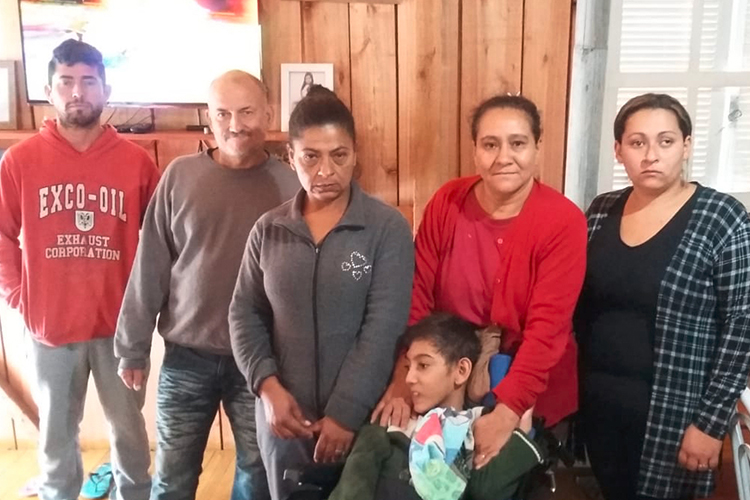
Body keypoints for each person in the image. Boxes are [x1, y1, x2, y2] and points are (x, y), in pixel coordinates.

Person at [371, 94, 588, 471]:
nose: (504, 157)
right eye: (490, 144)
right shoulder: (448, 202)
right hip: (446, 377)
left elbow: (547, 330)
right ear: (474, 150)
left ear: (537, 147)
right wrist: (407, 376)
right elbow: (418, 295)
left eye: (517, 143)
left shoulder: (563, 221)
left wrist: (508, 410)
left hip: (528, 383)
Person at [114, 70, 299, 500]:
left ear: (268, 113)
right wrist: (132, 346)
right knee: (172, 480)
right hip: (186, 356)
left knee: (257, 478)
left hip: (260, 362)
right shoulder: (180, 176)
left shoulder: (292, 187)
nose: (235, 125)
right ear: (209, 118)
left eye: (247, 112)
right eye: (223, 114)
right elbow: (151, 264)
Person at [228, 85, 414, 500]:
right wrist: (268, 389)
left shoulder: (386, 229)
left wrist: (346, 414)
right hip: (284, 424)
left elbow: (384, 327)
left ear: (355, 154)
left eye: (339, 155)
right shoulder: (269, 230)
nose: (326, 170)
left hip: (362, 424)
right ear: (290, 157)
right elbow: (244, 314)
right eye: (311, 157)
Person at [0, 39, 158, 500]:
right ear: (49, 90)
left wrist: (149, 304)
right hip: (50, 327)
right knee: (56, 435)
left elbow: (164, 241)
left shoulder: (136, 162)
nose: (77, 92)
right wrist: (18, 293)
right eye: (66, 81)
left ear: (106, 90)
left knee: (129, 434)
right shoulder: (20, 161)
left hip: (120, 329)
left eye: (89, 82)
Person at [576, 93, 750, 500]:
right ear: (618, 150)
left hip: (676, 413)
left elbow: (742, 325)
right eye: (637, 142)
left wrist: (709, 423)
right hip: (600, 403)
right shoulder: (602, 210)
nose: (651, 155)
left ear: (686, 146)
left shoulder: (722, 218)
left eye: (666, 141)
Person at [329, 313, 542, 500]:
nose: (409, 378)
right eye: (408, 366)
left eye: (423, 365)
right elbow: (351, 489)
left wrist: (520, 436)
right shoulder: (392, 424)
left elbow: (487, 492)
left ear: (461, 371)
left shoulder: (479, 429)